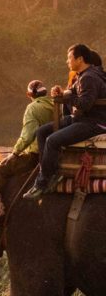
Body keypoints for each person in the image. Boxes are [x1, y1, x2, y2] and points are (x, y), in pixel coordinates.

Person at [24, 44, 106, 199]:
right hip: (80, 118)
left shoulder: (89, 77)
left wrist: (67, 97)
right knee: (41, 131)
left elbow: (85, 104)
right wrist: (62, 92)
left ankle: (43, 183)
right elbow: (73, 91)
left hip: (93, 122)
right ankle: (48, 172)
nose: (67, 61)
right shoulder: (84, 74)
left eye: (69, 58)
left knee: (52, 140)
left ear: (80, 59)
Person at [0, 80, 54, 189]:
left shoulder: (32, 108)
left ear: (29, 94)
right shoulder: (55, 104)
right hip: (51, 152)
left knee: (1, 169)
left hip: (35, 156)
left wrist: (15, 153)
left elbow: (27, 136)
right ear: (45, 92)